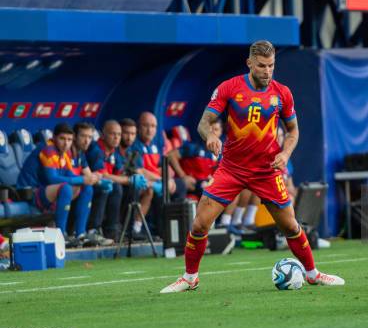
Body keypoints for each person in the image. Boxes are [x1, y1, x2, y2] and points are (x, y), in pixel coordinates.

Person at [161, 40, 344, 293]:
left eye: (271, 66)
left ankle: (312, 274)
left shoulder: (282, 93)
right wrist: (211, 136)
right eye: (261, 66)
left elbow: (293, 130)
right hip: (231, 168)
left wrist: (286, 152)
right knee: (200, 223)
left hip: (267, 169)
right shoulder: (229, 88)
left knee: (290, 225)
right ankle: (190, 277)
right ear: (249, 63)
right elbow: (205, 122)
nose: (267, 71)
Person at [17, 123, 100, 247]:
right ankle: (60, 235)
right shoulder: (48, 150)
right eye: (62, 139)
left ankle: (81, 234)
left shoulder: (64, 153)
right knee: (65, 188)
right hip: (29, 193)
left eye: (69, 140)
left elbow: (69, 174)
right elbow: (52, 179)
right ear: (54, 137)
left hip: (45, 192)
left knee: (86, 188)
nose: (66, 143)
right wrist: (82, 179)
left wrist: (89, 179)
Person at [87, 120, 148, 242]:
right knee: (115, 187)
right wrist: (129, 180)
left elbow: (120, 173)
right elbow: (103, 175)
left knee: (132, 189)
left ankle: (127, 229)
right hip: (91, 184)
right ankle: (104, 230)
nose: (116, 138)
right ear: (103, 135)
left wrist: (132, 179)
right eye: (112, 134)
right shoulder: (96, 148)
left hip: (106, 185)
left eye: (119, 134)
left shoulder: (114, 152)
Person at [68, 122, 113, 246]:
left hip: (70, 189)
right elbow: (67, 176)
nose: (86, 140)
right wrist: (92, 179)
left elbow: (89, 175)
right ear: (75, 136)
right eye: (83, 136)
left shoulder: (81, 154)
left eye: (89, 137)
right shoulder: (67, 151)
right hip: (52, 190)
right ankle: (71, 233)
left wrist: (100, 180)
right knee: (85, 187)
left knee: (96, 188)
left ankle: (82, 234)